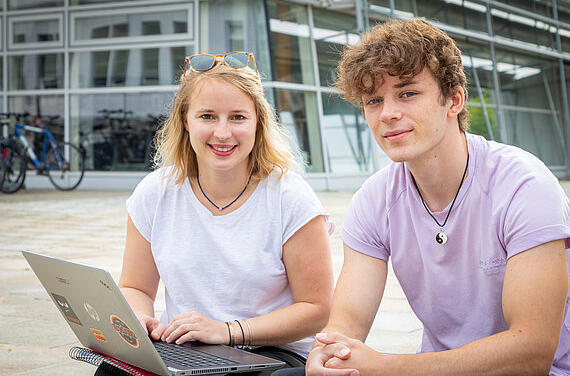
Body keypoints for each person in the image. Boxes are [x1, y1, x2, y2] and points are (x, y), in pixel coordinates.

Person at [303, 19, 570, 375]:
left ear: (454, 100)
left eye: (407, 93)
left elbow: (531, 352)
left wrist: (387, 367)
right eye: (373, 101)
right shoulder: (374, 199)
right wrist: (326, 358)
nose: (388, 114)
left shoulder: (524, 185)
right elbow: (345, 326)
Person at [97, 51, 335, 374]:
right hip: (186, 351)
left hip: (271, 355)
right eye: (207, 116)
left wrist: (227, 331)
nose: (223, 133)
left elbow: (316, 309)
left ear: (258, 122)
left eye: (237, 117)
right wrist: (140, 321)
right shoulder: (155, 193)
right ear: (185, 120)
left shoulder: (291, 198)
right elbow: (136, 287)